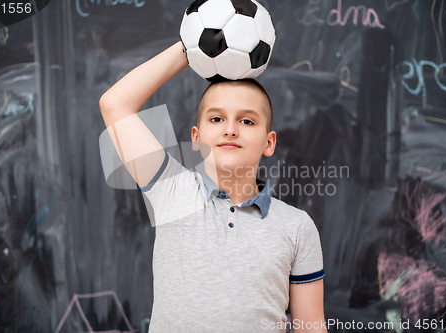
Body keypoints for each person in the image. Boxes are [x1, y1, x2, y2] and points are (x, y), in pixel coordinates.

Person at [99, 41, 326, 333]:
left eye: (246, 120)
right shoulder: (172, 190)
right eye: (216, 118)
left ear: (269, 143)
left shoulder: (296, 226)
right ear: (196, 138)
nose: (230, 129)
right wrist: (191, 46)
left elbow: (312, 327)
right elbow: (115, 104)